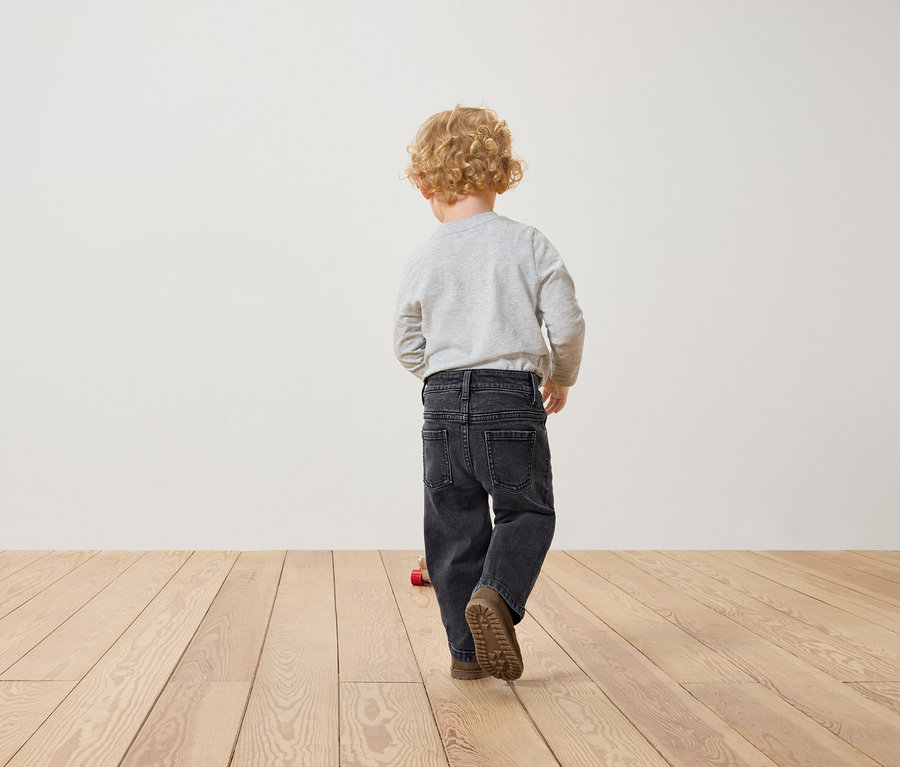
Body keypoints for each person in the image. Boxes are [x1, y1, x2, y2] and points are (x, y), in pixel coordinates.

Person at [393, 105, 585, 681]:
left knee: (453, 529)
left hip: (443, 407)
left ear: (425, 183)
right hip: (511, 402)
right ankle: (497, 597)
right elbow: (568, 323)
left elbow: (404, 340)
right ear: (503, 176)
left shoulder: (425, 253)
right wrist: (560, 375)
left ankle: (465, 657)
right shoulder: (527, 244)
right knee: (526, 511)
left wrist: (439, 374)